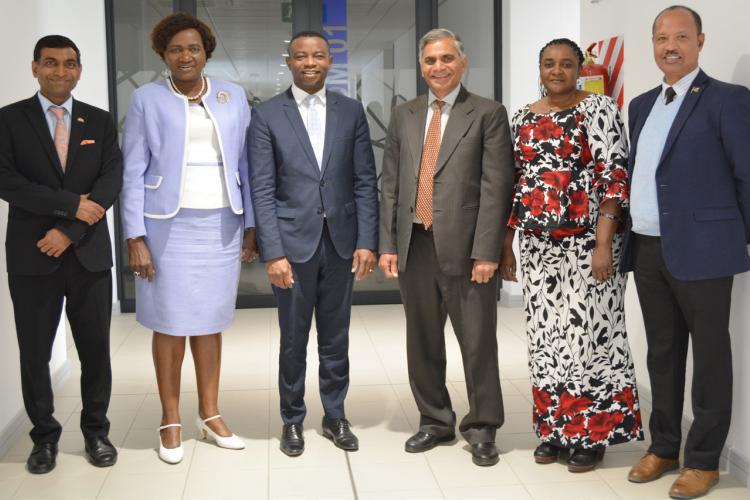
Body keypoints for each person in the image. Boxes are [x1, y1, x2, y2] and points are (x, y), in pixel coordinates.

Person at [621, 6, 750, 498]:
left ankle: (703, 460)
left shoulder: (727, 100)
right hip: (649, 249)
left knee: (711, 357)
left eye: (680, 36)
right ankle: (664, 446)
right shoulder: (641, 105)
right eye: (660, 37)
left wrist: (735, 237)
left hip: (705, 250)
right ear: (652, 45)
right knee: (663, 353)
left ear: (700, 41)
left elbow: (746, 176)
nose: (669, 45)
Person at [500, 38, 643, 473]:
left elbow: (614, 177)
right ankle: (555, 429)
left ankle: (592, 434)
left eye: (566, 64)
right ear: (539, 68)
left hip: (589, 244)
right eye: (549, 63)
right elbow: (517, 181)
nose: (557, 70)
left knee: (589, 340)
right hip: (540, 246)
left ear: (579, 68)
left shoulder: (598, 110)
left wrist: (604, 244)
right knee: (546, 340)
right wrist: (507, 244)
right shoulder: (523, 116)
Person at [120, 13, 257, 464]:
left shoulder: (231, 95)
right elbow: (133, 169)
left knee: (210, 320)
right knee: (170, 322)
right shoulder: (147, 99)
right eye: (176, 48)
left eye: (193, 48)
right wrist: (135, 235)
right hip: (166, 226)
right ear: (163, 53)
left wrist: (251, 223)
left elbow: (245, 166)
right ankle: (171, 417)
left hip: (221, 223)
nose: (185, 56)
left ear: (206, 52)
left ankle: (211, 414)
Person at [378, 28, 514, 467]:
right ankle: (434, 420)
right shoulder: (405, 114)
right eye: (431, 61)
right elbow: (392, 183)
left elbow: (497, 187)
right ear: (422, 67)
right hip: (414, 243)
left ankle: (482, 426)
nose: (439, 67)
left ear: (463, 61)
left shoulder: (488, 113)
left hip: (467, 247)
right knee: (421, 339)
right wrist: (388, 244)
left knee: (477, 341)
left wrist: (488, 251)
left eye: (446, 59)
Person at [249, 31, 378, 457]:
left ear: (330, 60)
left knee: (335, 335)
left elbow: (363, 182)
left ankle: (335, 414)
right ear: (288, 61)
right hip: (291, 245)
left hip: (340, 244)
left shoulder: (351, 112)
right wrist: (273, 253)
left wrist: (366, 240)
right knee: (293, 337)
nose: (310, 63)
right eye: (301, 56)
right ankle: (292, 418)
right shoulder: (267, 115)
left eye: (318, 56)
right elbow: (262, 190)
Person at [0, 35, 122, 473]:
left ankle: (96, 432)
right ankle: (44, 438)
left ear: (79, 70)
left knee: (95, 351)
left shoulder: (100, 121)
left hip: (87, 254)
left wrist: (69, 230)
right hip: (33, 256)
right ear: (34, 68)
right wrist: (71, 205)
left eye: (70, 64)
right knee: (34, 352)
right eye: (50, 63)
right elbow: (7, 182)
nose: (60, 72)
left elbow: (110, 181)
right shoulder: (8, 120)